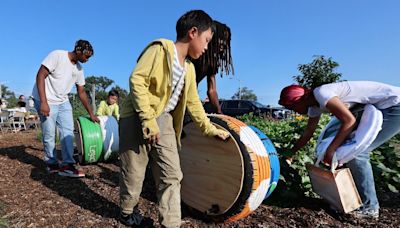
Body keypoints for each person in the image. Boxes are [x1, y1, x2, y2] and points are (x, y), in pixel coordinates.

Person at [118, 10, 230, 227]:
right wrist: (147, 120)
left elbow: (193, 103)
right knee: (134, 170)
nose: (207, 47)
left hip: (164, 119)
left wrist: (209, 129)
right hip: (137, 115)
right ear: (193, 32)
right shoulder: (159, 49)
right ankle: (127, 211)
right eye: (206, 41)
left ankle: (170, 223)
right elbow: (137, 80)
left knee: (172, 173)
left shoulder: (189, 68)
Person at [279, 81, 400, 219]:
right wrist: (291, 153)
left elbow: (349, 121)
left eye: (292, 106)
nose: (292, 110)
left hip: (394, 104)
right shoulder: (313, 106)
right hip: (374, 108)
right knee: (345, 152)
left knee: (357, 154)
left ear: (301, 99)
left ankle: (370, 208)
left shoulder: (322, 94)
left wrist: (331, 151)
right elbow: (308, 132)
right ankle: (351, 200)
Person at [32, 39, 99, 178]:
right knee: (50, 133)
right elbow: (40, 75)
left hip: (63, 101)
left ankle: (68, 164)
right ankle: (51, 163)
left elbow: (81, 92)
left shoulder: (79, 69)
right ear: (79, 51)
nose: (87, 60)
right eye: (86, 56)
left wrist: (91, 113)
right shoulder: (58, 55)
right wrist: (44, 102)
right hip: (46, 99)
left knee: (68, 131)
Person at [192, 20, 234, 114]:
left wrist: (219, 112)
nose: (224, 44)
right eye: (221, 39)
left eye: (226, 41)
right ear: (212, 38)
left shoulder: (212, 63)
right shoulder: (195, 55)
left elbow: (212, 91)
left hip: (189, 97)